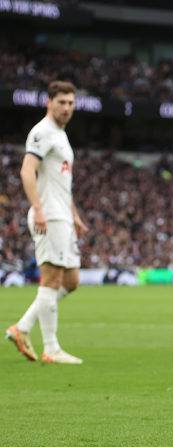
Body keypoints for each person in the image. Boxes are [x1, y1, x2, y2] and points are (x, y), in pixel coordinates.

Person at [5, 81, 88, 364]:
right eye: (61, 102)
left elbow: (62, 183)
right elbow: (27, 170)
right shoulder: (42, 132)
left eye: (70, 103)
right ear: (49, 103)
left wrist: (74, 213)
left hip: (63, 215)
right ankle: (51, 349)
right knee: (51, 281)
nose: (66, 108)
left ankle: (23, 327)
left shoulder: (61, 136)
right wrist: (38, 208)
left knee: (72, 281)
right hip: (49, 216)